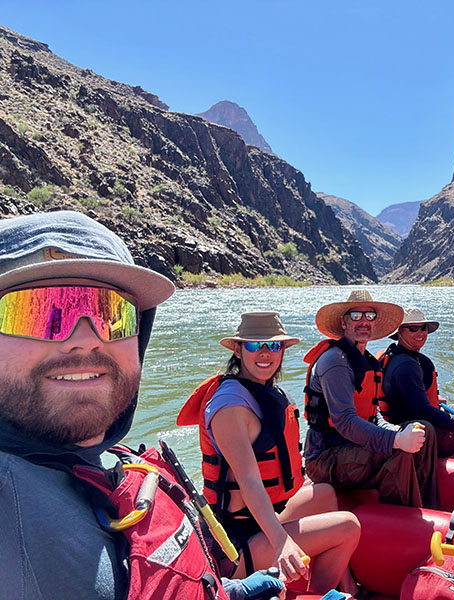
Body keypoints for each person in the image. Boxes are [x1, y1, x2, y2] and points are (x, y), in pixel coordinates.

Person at [0, 211, 283, 600]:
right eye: (37, 311)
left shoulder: (103, 459)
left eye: (112, 315)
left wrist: (228, 592)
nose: (86, 340)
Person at [177, 311, 360, 594]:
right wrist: (281, 541)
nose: (265, 353)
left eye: (273, 345)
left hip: (260, 520)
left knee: (324, 493)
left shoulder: (259, 390)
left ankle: (351, 590)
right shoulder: (230, 406)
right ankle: (317, 596)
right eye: (254, 345)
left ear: (282, 350)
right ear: (238, 350)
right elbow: (249, 481)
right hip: (236, 543)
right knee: (349, 526)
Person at [303, 290, 439, 508]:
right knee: (399, 451)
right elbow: (345, 422)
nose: (364, 322)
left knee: (424, 430)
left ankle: (429, 506)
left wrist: (394, 431)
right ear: (344, 322)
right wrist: (395, 440)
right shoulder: (335, 362)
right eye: (356, 316)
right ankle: (402, 517)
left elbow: (372, 413)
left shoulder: (366, 360)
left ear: (376, 323)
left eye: (370, 316)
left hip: (353, 446)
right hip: (325, 457)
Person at [379, 306, 454, 459]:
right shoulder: (407, 366)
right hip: (415, 432)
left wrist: (431, 399)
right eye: (413, 328)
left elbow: (408, 397)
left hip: (409, 419)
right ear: (400, 332)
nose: (420, 333)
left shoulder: (398, 355)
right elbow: (423, 411)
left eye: (423, 328)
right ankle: (450, 473)